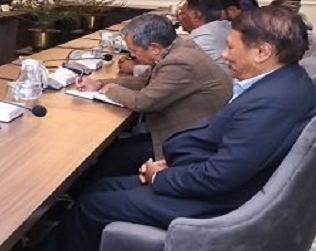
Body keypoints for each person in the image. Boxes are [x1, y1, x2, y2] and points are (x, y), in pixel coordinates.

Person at [6, 6, 316, 251]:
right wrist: (171, 164)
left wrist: (161, 176)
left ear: (262, 51)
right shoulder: (283, 84)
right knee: (102, 185)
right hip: (211, 178)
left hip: (218, 204)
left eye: (230, 47)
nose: (224, 55)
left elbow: (221, 176)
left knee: (96, 204)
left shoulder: (274, 103)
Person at [72, 14, 232, 182]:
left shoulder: (179, 62)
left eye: (134, 50)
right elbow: (143, 81)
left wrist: (110, 90)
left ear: (154, 48)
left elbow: (142, 102)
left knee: (111, 158)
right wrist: (99, 84)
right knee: (112, 151)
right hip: (184, 131)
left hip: (186, 141)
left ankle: (88, 193)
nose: (132, 55)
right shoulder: (177, 48)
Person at [179, 0, 232, 70]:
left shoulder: (202, 40)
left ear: (196, 15)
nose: (179, 18)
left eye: (183, 13)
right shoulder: (226, 28)